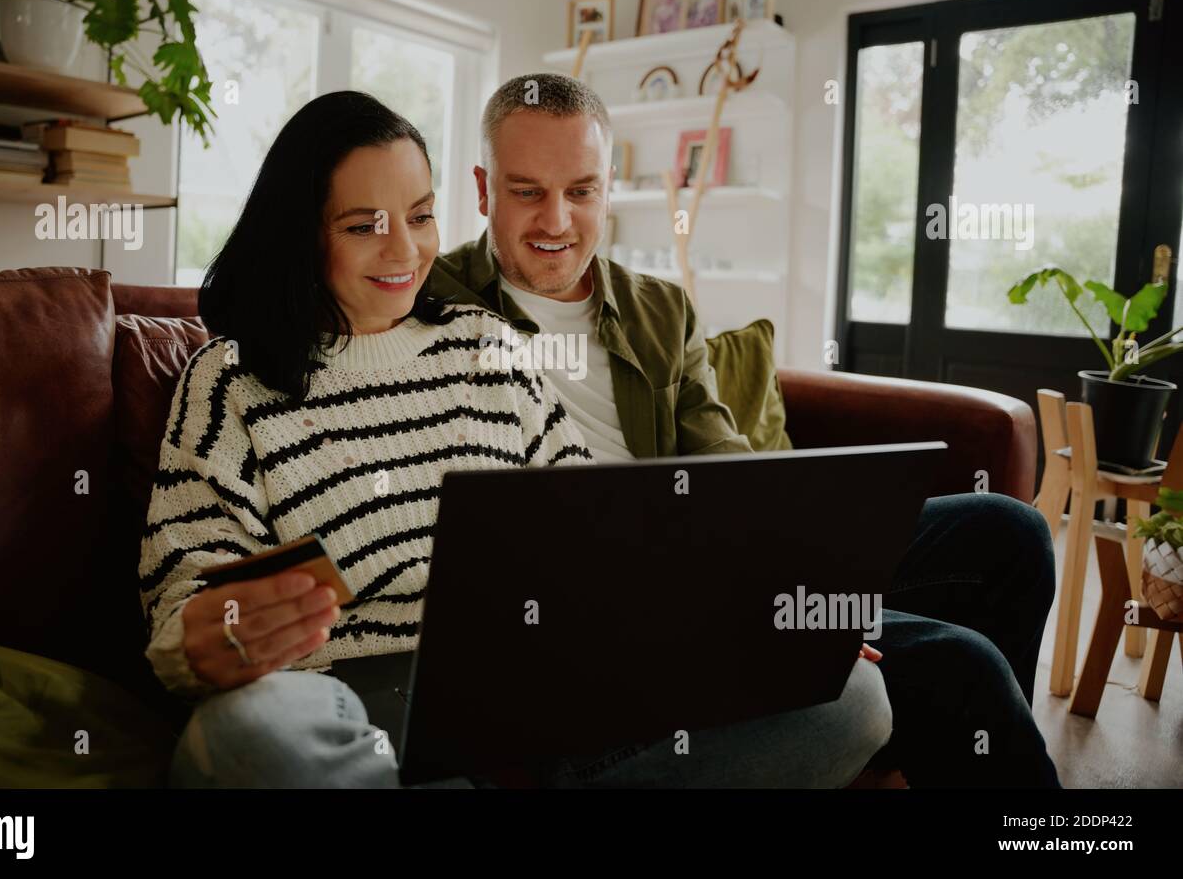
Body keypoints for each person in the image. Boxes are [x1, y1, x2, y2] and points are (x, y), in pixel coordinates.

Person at [139, 90, 893, 788]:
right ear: (301, 233)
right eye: (364, 224)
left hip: (541, 687)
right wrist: (212, 635)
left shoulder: (487, 346)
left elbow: (598, 536)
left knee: (851, 696)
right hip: (346, 701)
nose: (404, 251)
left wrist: (736, 614)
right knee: (244, 737)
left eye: (421, 215)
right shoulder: (231, 380)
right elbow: (184, 596)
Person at [424, 72, 1061, 788]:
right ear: (483, 190)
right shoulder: (428, 306)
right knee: (961, 662)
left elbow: (726, 463)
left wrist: (796, 577)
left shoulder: (658, 307)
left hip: (713, 559)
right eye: (527, 191)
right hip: (626, 612)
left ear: (607, 188)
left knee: (1010, 534)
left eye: (581, 190)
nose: (557, 222)